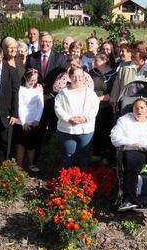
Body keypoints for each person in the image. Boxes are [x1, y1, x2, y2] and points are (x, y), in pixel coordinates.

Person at [26, 32, 66, 164]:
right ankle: (35, 159)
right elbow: (27, 78)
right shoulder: (31, 58)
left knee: (54, 131)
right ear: (39, 42)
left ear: (52, 43)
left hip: (55, 101)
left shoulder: (60, 58)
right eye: (42, 41)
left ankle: (53, 160)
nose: (45, 44)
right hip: (37, 102)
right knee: (37, 131)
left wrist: (51, 95)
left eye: (48, 41)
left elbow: (63, 80)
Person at [54, 67, 100, 169]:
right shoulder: (63, 93)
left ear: (84, 77)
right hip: (67, 130)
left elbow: (94, 108)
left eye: (80, 76)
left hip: (85, 130)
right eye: (74, 76)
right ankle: (67, 178)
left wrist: (85, 118)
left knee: (84, 156)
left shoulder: (90, 93)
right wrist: (68, 119)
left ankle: (82, 177)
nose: (77, 79)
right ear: (70, 77)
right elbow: (58, 108)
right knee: (68, 156)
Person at [110, 41, 147, 106]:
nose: (132, 54)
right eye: (131, 51)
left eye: (135, 52)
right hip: (125, 106)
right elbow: (116, 86)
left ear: (142, 53)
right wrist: (113, 101)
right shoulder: (124, 67)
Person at [13, 69, 44, 172]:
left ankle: (31, 164)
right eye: (31, 80)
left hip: (33, 121)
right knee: (20, 145)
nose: (33, 82)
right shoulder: (20, 89)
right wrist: (23, 122)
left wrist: (37, 119)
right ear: (25, 78)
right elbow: (20, 106)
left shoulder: (38, 89)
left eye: (35, 80)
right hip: (21, 122)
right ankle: (19, 167)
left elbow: (40, 106)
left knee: (32, 145)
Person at [89, 52, 117, 162]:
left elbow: (114, 91)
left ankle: (105, 154)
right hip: (92, 106)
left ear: (104, 61)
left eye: (96, 60)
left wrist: (100, 98)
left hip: (106, 107)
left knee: (105, 130)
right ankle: (95, 152)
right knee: (95, 129)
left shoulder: (114, 74)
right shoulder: (92, 72)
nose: (94, 62)